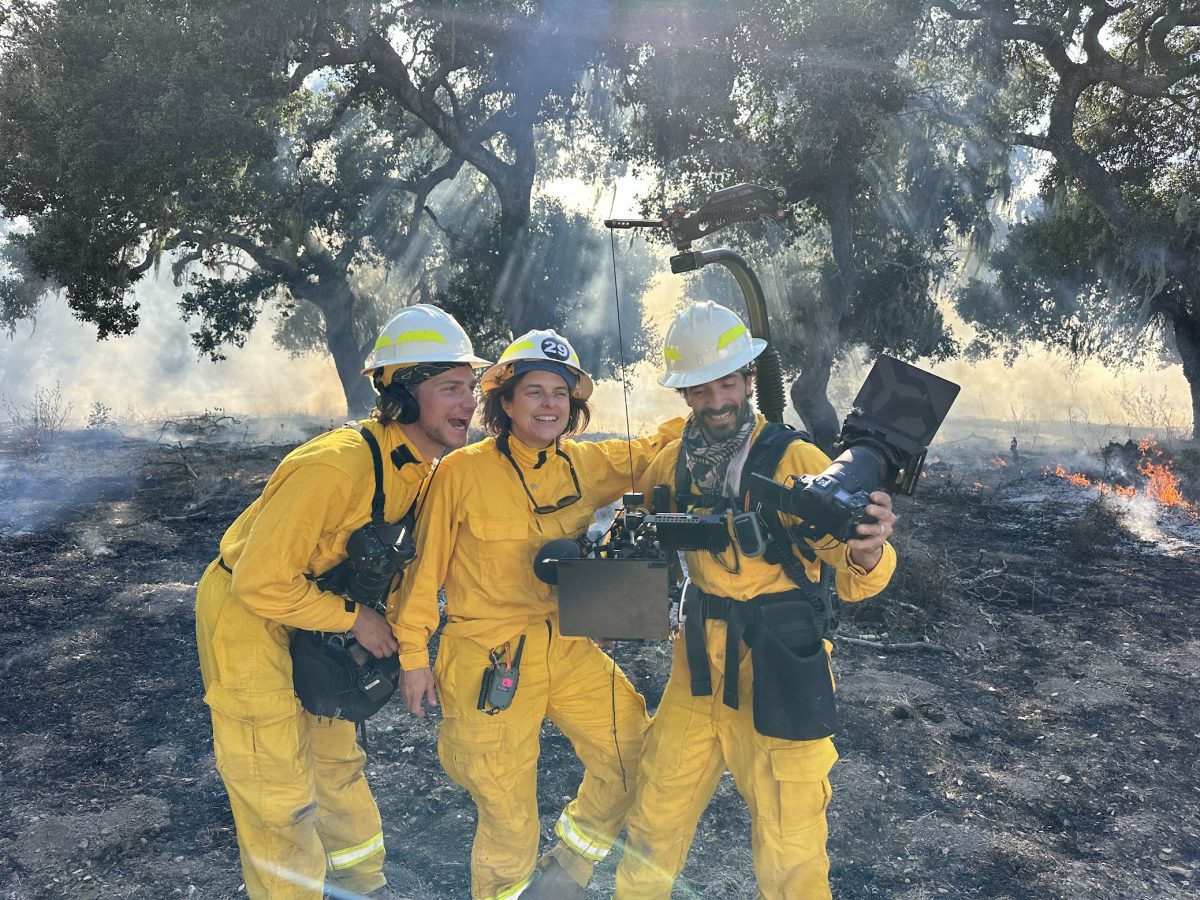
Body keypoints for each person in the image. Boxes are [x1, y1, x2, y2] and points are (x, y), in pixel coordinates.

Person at [194, 304, 490, 899]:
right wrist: (356, 619)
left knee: (333, 760)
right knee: (275, 786)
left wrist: (408, 653)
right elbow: (260, 582)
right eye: (451, 388)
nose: (469, 403)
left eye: (472, 387)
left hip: (319, 612)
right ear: (403, 398)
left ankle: (363, 886)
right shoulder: (334, 468)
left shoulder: (428, 470)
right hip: (249, 615)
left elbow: (410, 575)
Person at [612, 300, 898, 900]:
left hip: (778, 666)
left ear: (748, 381)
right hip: (695, 672)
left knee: (790, 847)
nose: (716, 401)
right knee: (650, 827)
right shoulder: (671, 464)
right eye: (699, 388)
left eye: (727, 383)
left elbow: (853, 576)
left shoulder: (795, 462)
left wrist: (870, 549)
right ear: (684, 395)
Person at [391, 329, 683, 900]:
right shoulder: (460, 473)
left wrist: (714, 409)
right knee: (507, 814)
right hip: (488, 656)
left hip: (568, 643)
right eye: (534, 392)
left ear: (574, 407)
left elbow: (652, 452)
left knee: (631, 752)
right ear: (505, 402)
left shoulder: (586, 464)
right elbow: (421, 576)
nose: (549, 404)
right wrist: (413, 658)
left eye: (560, 393)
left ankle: (565, 872)